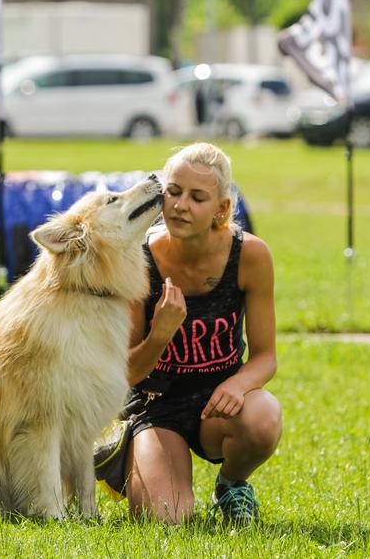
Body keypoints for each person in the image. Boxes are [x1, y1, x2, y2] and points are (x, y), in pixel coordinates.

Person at [123, 142, 282, 525]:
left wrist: (239, 384)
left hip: (218, 403)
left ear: (221, 209)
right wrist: (160, 334)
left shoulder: (250, 256)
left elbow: (266, 357)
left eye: (197, 197)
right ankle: (130, 458)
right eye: (174, 192)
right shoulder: (137, 258)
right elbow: (123, 372)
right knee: (164, 519)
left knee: (264, 417)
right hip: (155, 406)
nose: (180, 205)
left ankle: (231, 484)